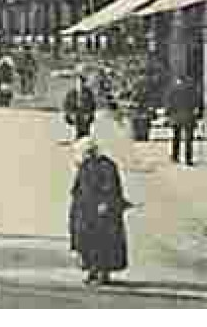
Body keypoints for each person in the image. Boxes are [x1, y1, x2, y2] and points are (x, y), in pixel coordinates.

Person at [69, 137, 132, 285]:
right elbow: (78, 187)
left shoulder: (107, 165)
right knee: (86, 240)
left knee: (103, 242)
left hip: (102, 211)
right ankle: (92, 269)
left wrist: (105, 203)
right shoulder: (84, 166)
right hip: (86, 210)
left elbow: (112, 187)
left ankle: (103, 272)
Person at [165, 75, 200, 167]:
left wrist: (168, 114)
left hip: (176, 116)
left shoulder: (173, 90)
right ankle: (188, 159)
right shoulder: (191, 90)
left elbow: (169, 103)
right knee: (188, 139)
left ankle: (175, 157)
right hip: (188, 116)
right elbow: (196, 102)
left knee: (176, 137)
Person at [63, 76, 97, 140]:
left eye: (81, 83)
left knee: (83, 117)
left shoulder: (89, 93)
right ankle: (77, 134)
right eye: (77, 83)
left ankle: (85, 134)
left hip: (85, 112)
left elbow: (93, 104)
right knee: (76, 116)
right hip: (74, 112)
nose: (79, 85)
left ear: (84, 83)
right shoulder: (71, 93)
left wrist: (90, 113)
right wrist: (69, 113)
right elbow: (66, 104)